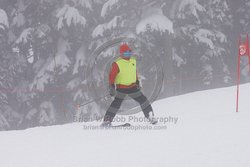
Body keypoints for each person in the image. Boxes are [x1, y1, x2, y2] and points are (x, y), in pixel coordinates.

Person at [101, 44, 157, 127]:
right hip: (121, 88)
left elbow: (134, 72)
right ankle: (106, 121)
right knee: (116, 104)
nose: (128, 53)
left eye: (129, 52)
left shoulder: (133, 61)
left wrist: (137, 81)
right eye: (126, 52)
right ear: (121, 53)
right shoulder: (117, 63)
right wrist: (112, 86)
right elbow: (112, 76)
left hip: (132, 87)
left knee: (143, 100)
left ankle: (150, 116)